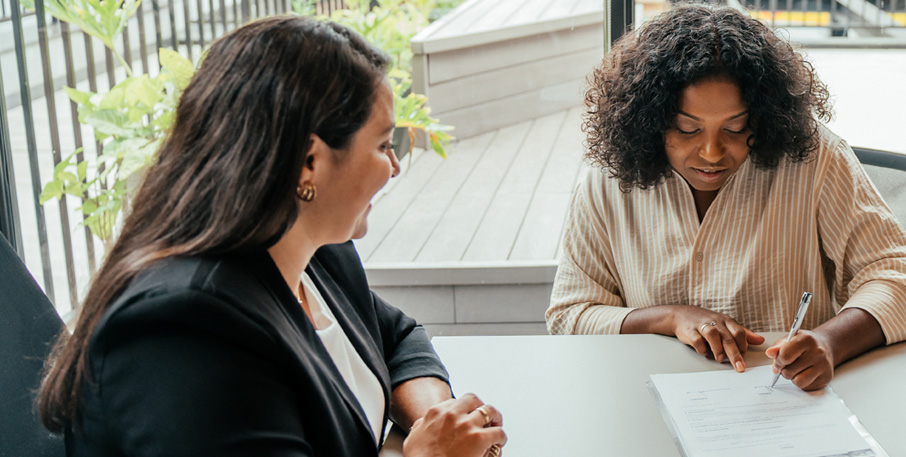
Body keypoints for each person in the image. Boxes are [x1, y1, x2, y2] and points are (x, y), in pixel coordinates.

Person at [38, 16, 506, 457]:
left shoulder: (313, 249)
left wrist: (436, 422)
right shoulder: (183, 331)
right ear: (309, 160)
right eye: (384, 145)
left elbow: (398, 337)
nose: (395, 165)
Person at [547, 4, 906, 391]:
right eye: (687, 129)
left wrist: (830, 341)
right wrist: (669, 317)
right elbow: (570, 315)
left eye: (736, 128)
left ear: (763, 117)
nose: (713, 153)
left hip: (789, 400)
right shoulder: (609, 180)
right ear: (649, 122)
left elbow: (894, 278)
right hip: (646, 396)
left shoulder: (816, 160)